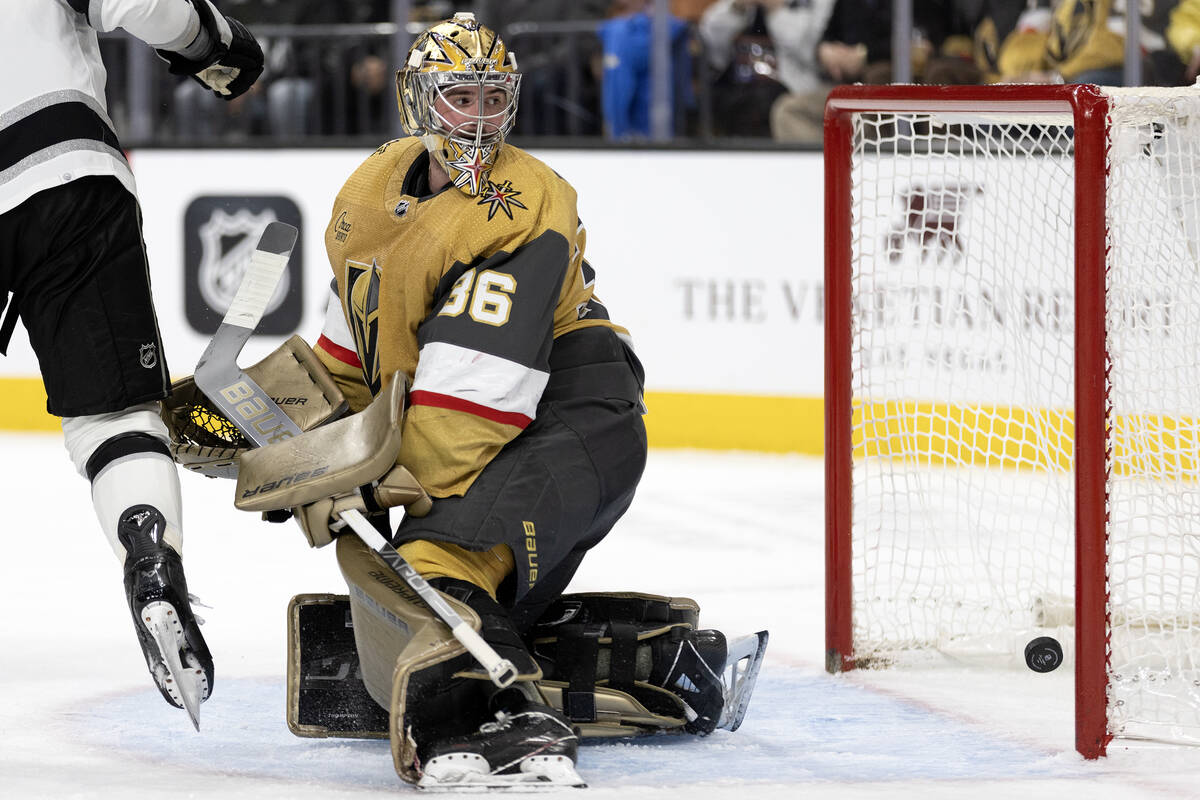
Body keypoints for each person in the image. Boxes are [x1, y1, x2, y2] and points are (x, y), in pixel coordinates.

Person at [242, 11, 764, 788]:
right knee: (410, 573)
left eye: (495, 99)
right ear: (417, 103)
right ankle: (653, 657)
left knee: (432, 558)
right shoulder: (371, 191)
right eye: (461, 98)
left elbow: (466, 420)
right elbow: (351, 361)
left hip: (575, 418)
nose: (481, 119)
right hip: (508, 419)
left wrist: (346, 475)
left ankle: (499, 715)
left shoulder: (523, 204)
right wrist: (269, 426)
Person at [0, 0, 264, 728]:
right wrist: (213, 41)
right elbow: (140, 2)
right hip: (62, 171)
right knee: (112, 415)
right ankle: (149, 554)